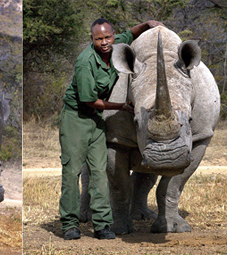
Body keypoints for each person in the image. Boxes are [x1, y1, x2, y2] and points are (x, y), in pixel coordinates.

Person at [59, 18, 163, 240]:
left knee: (100, 171)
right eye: (99, 39)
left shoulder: (116, 46)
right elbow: (89, 100)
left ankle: (102, 224)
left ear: (113, 36)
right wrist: (122, 107)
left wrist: (147, 25)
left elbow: (130, 33)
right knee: (72, 171)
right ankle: (70, 224)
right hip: (77, 117)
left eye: (107, 37)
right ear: (92, 39)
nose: (104, 42)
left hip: (97, 118)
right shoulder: (85, 62)